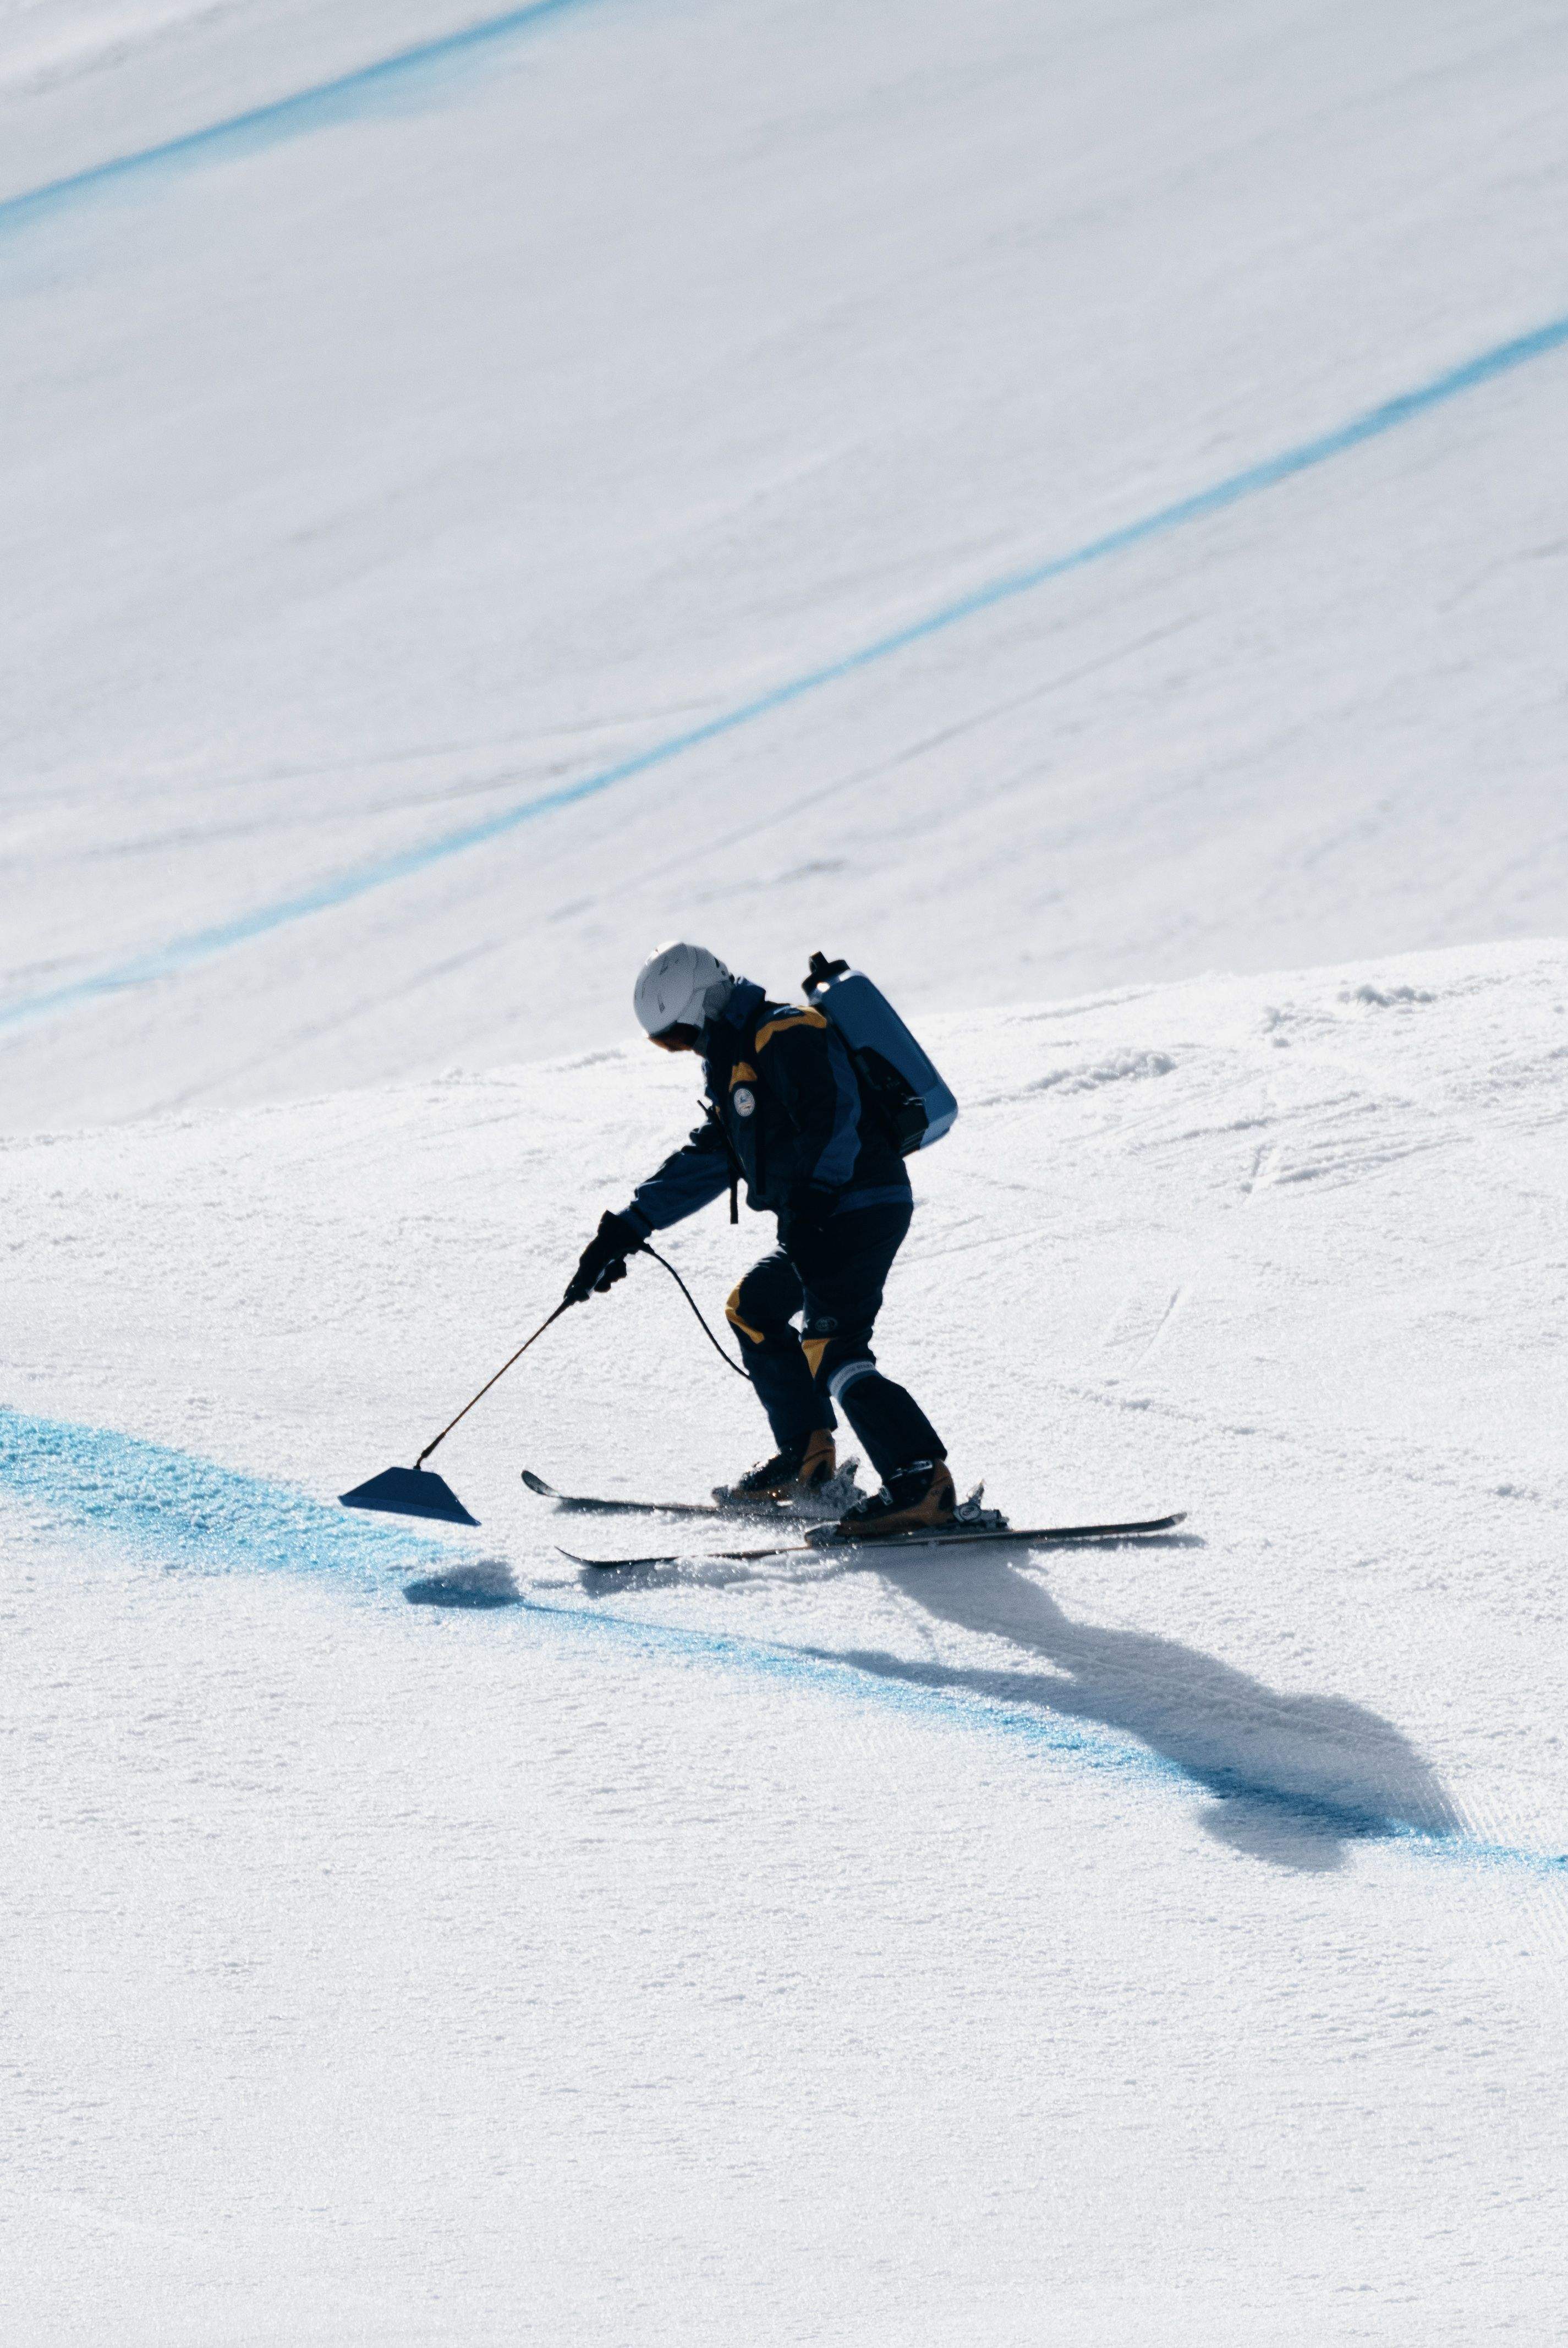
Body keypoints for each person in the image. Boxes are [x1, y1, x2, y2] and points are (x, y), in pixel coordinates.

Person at [564, 941, 956, 1538]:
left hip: (857, 1203)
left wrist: (814, 1201)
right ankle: (807, 1458)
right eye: (666, 1040)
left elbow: (835, 1111)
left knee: (835, 1346)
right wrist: (626, 1227)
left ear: (703, 1002)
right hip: (822, 1215)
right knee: (754, 1308)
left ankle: (920, 1481)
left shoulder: (784, 1031)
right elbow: (711, 1156)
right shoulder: (736, 1065)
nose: (682, 1046)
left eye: (678, 1033)